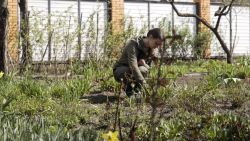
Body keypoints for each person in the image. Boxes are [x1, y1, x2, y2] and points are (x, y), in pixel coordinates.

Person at [113, 28, 165, 97]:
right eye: (156, 43)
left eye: (159, 45)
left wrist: (144, 64)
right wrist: (145, 84)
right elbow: (133, 66)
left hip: (134, 71)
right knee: (131, 70)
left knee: (143, 69)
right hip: (120, 70)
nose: (157, 47)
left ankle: (137, 91)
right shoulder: (133, 44)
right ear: (150, 37)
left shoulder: (151, 48)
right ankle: (129, 91)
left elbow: (149, 69)